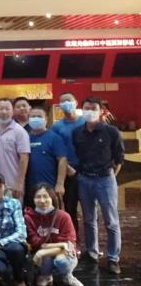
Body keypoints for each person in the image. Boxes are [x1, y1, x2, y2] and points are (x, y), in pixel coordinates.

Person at [73, 96, 124, 275]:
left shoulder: (111, 132)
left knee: (111, 221)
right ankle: (92, 252)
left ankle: (113, 258)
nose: (89, 111)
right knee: (88, 219)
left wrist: (110, 177)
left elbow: (119, 158)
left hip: (105, 179)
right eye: (86, 108)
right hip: (85, 179)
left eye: (93, 108)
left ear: (101, 111)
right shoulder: (77, 133)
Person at [24, 184, 84, 286]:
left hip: (63, 254)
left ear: (52, 198)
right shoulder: (28, 218)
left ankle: (67, 276)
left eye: (45, 196)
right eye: (38, 197)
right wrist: (61, 244)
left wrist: (42, 251)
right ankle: (45, 275)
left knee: (61, 261)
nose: (42, 200)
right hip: (46, 256)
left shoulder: (64, 216)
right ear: (33, 199)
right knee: (46, 259)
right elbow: (35, 242)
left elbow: (69, 244)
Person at [51, 92, 85, 235]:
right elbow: (55, 151)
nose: (66, 103)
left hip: (87, 170)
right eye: (63, 101)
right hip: (68, 171)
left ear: (76, 102)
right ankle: (73, 239)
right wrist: (67, 168)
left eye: (69, 100)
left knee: (89, 209)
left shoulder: (85, 122)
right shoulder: (57, 127)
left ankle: (91, 243)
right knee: (70, 208)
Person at [26, 106, 67, 205]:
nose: (36, 118)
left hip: (50, 185)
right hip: (29, 186)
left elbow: (62, 160)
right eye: (33, 116)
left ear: (46, 119)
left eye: (39, 116)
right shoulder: (25, 137)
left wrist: (60, 184)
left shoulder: (54, 138)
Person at [0, 98, 30, 200]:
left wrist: (19, 183)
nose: (4, 112)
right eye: (1, 108)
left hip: (12, 185)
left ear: (13, 111)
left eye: (7, 109)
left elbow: (24, 158)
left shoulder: (20, 131)